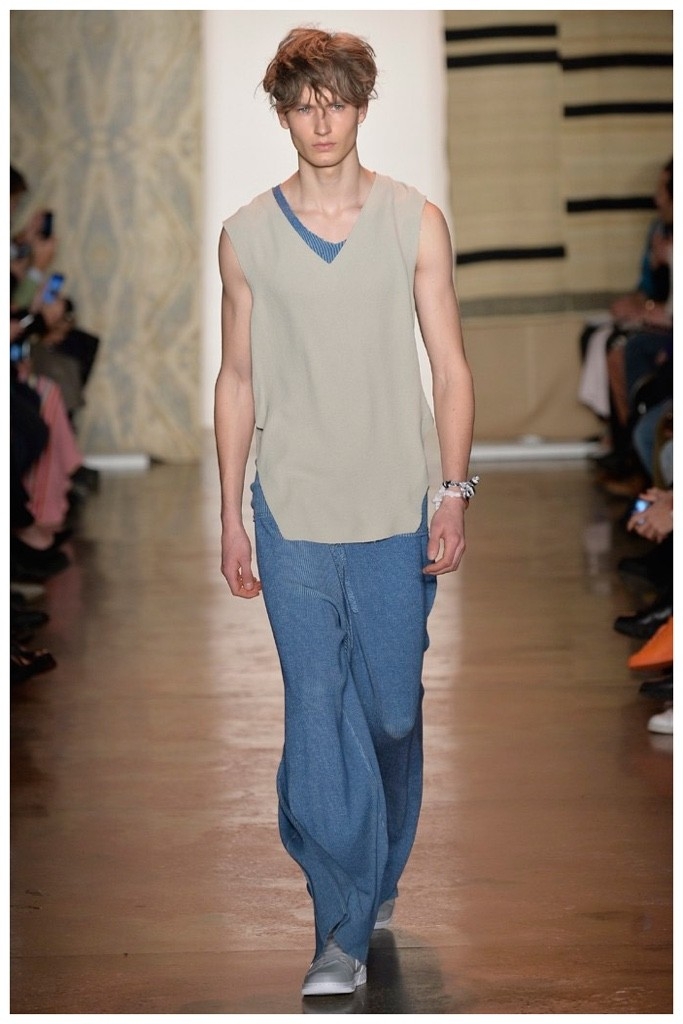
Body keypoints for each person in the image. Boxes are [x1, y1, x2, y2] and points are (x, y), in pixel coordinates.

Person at [214, 27, 475, 999]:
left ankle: (372, 861)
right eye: (302, 104)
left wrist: (452, 491)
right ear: (282, 114)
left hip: (395, 503)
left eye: (335, 101)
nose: (320, 121)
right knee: (316, 714)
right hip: (292, 507)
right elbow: (236, 378)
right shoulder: (245, 234)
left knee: (391, 712)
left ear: (361, 106)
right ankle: (338, 924)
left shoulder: (414, 221)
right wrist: (230, 513)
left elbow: (449, 368)